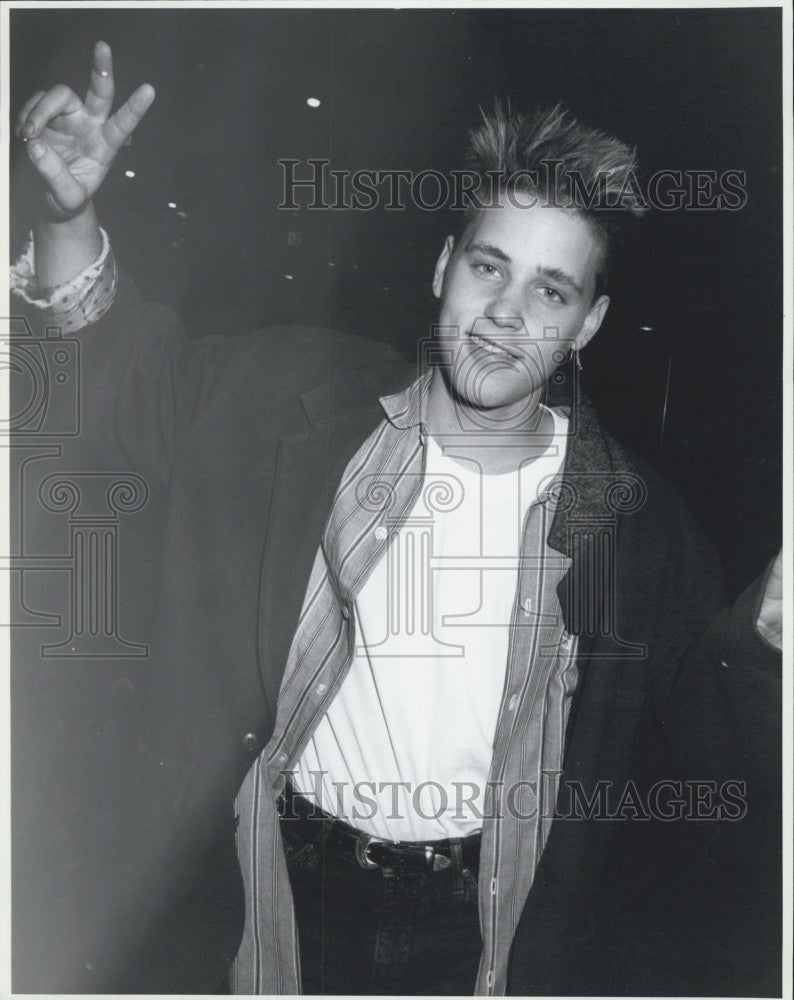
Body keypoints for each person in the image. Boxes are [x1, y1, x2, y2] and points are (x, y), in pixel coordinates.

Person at [12, 41, 782, 996]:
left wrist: (766, 636)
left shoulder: (638, 525)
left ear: (588, 324)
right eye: (489, 268)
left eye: (551, 291)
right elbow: (118, 378)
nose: (506, 314)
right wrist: (68, 213)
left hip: (483, 921)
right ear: (441, 268)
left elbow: (708, 760)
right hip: (272, 886)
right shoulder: (283, 396)